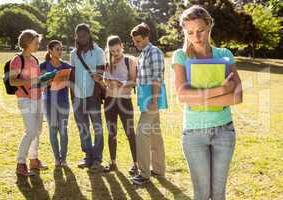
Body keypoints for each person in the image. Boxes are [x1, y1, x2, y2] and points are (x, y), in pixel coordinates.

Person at [172, 5, 243, 200]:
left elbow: (237, 96)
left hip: (224, 132)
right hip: (194, 135)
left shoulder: (224, 55)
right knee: (202, 194)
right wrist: (221, 90)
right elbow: (183, 96)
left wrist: (199, 96)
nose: (196, 36)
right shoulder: (181, 56)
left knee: (219, 195)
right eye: (190, 32)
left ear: (209, 25)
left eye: (200, 30)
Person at [130, 23, 168, 185]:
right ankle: (158, 169)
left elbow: (156, 78)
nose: (135, 44)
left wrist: (153, 99)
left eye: (138, 41)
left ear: (147, 38)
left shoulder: (154, 53)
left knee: (141, 133)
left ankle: (144, 174)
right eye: (134, 41)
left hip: (152, 98)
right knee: (154, 134)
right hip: (146, 98)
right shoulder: (143, 54)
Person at [10, 29, 48, 176]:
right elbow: (13, 81)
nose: (38, 44)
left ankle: (33, 160)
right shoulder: (17, 60)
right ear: (27, 43)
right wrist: (31, 81)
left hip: (38, 98)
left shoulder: (35, 60)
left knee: (37, 131)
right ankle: (20, 164)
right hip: (25, 99)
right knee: (31, 131)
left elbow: (37, 82)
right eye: (36, 42)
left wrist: (46, 81)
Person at [70, 23, 105, 170]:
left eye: (84, 35)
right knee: (83, 128)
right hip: (78, 96)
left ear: (89, 34)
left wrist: (97, 95)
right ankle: (87, 156)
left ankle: (97, 158)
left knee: (97, 127)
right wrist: (72, 96)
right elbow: (71, 76)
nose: (81, 38)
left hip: (93, 96)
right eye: (79, 35)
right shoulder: (73, 54)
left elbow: (100, 74)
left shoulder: (98, 52)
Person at [102, 35, 138, 175]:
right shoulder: (107, 62)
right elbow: (105, 81)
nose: (115, 53)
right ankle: (113, 163)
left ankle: (136, 164)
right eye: (112, 51)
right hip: (110, 101)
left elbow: (134, 81)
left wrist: (121, 83)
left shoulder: (130, 60)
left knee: (130, 133)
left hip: (124, 100)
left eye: (117, 50)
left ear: (121, 46)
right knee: (111, 133)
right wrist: (106, 81)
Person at [40, 40, 73, 167]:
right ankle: (56, 158)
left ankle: (63, 158)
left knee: (63, 130)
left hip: (63, 101)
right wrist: (49, 81)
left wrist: (65, 81)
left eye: (61, 49)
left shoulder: (66, 66)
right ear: (50, 51)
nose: (60, 51)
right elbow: (39, 84)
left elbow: (71, 83)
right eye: (57, 49)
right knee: (53, 129)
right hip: (49, 101)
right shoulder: (43, 66)